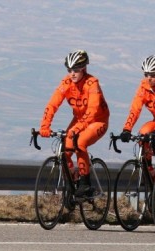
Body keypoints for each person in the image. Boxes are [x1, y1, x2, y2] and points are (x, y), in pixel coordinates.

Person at [39, 50, 110, 197]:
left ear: (84, 69)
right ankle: (72, 180)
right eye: (69, 70)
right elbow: (52, 104)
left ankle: (85, 184)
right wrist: (45, 125)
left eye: (76, 70)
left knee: (80, 142)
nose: (72, 74)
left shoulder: (92, 83)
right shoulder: (66, 83)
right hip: (79, 119)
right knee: (65, 149)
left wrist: (77, 128)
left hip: (97, 120)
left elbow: (92, 111)